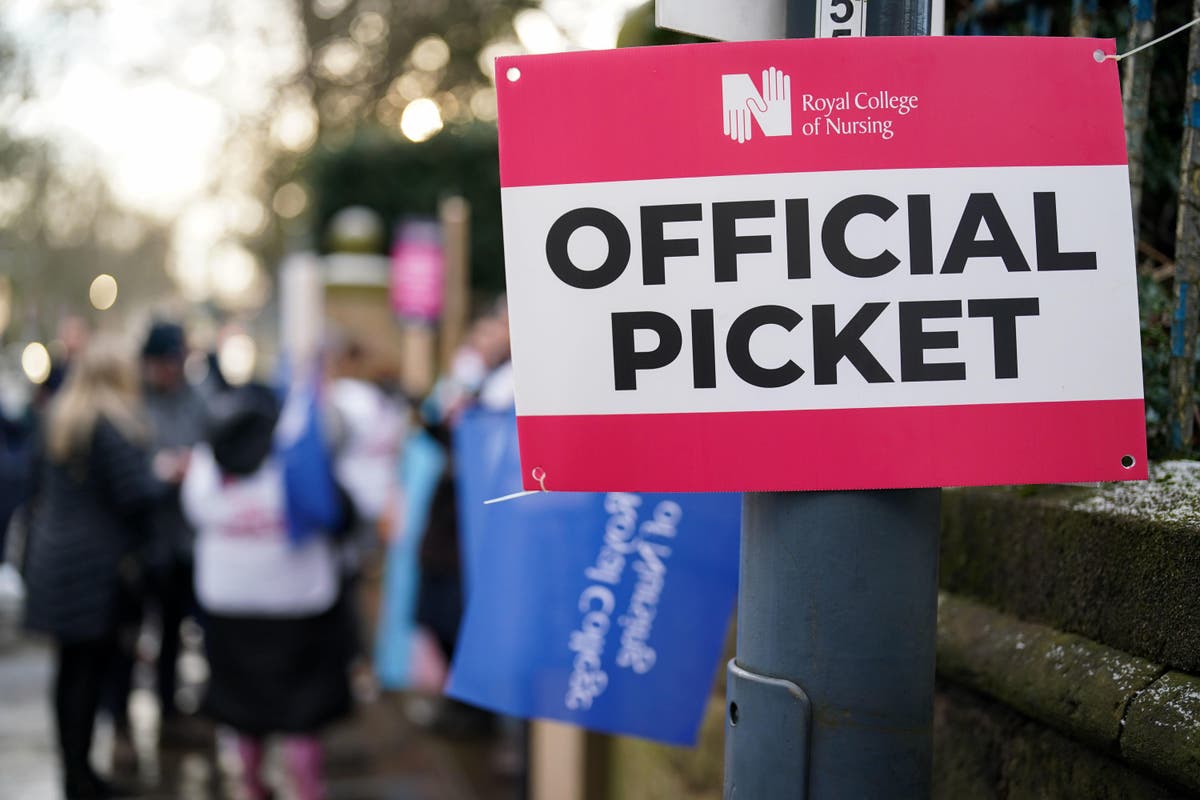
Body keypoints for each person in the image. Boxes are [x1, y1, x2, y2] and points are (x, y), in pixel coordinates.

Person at [182, 383, 356, 800]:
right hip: (299, 605)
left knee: (242, 711)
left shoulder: (207, 459)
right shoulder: (296, 454)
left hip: (228, 606)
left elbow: (192, 512)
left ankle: (251, 785)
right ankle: (307, 787)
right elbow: (337, 514)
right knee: (302, 714)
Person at [22, 335, 166, 800]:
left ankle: (75, 771)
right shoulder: (112, 424)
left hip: (54, 556)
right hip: (96, 564)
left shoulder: (60, 419)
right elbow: (135, 494)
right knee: (90, 671)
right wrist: (165, 476)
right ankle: (83, 777)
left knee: (70, 671)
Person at [139, 321, 207, 738]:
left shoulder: (197, 399)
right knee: (138, 630)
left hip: (188, 535)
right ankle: (132, 714)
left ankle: (171, 703)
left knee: (178, 626)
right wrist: (160, 468)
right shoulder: (137, 401)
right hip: (149, 535)